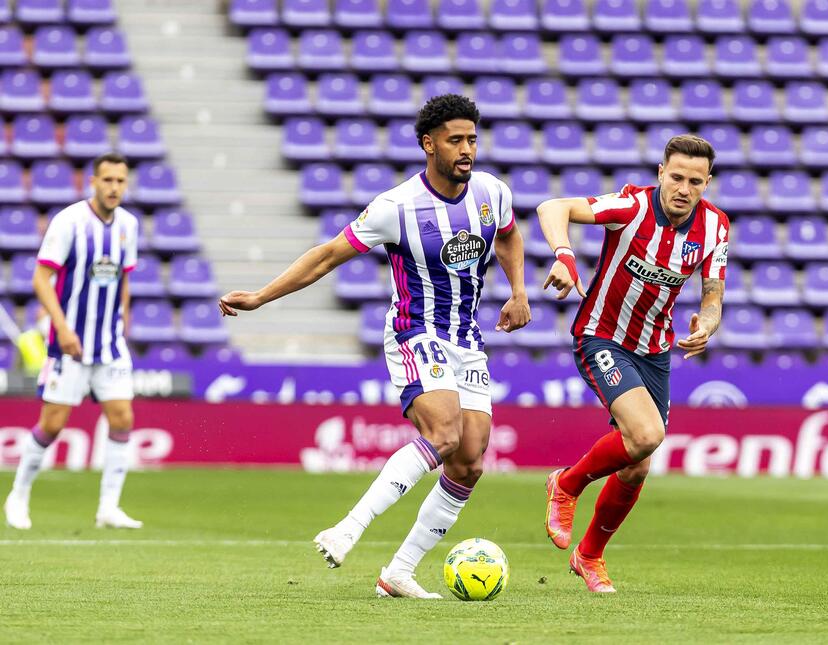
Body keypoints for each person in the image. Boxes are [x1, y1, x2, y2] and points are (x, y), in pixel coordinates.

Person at [219, 95, 531, 598]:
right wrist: (259, 296)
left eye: (472, 139)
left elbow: (510, 237)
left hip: (466, 340)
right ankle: (348, 528)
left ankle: (398, 573)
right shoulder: (396, 207)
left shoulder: (492, 192)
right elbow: (326, 257)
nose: (467, 149)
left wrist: (519, 292)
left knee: (470, 461)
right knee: (445, 433)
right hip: (415, 330)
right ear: (429, 145)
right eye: (455, 140)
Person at [537, 134, 729, 593]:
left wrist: (708, 324)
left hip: (655, 350)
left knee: (637, 463)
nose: (684, 188)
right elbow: (552, 207)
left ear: (707, 184)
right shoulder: (631, 207)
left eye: (695, 182)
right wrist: (565, 257)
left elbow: (713, 294)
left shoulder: (716, 228)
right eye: (677, 177)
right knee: (645, 435)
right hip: (601, 335)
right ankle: (566, 484)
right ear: (661, 172)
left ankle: (589, 557)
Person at [4, 152, 143, 530]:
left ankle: (108, 508)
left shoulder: (129, 225)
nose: (114, 187)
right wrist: (62, 328)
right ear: (93, 182)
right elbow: (40, 279)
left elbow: (123, 279)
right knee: (51, 425)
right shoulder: (69, 222)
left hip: (109, 344)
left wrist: (123, 323)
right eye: (108, 180)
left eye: (120, 181)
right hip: (69, 344)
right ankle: (18, 495)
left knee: (122, 418)